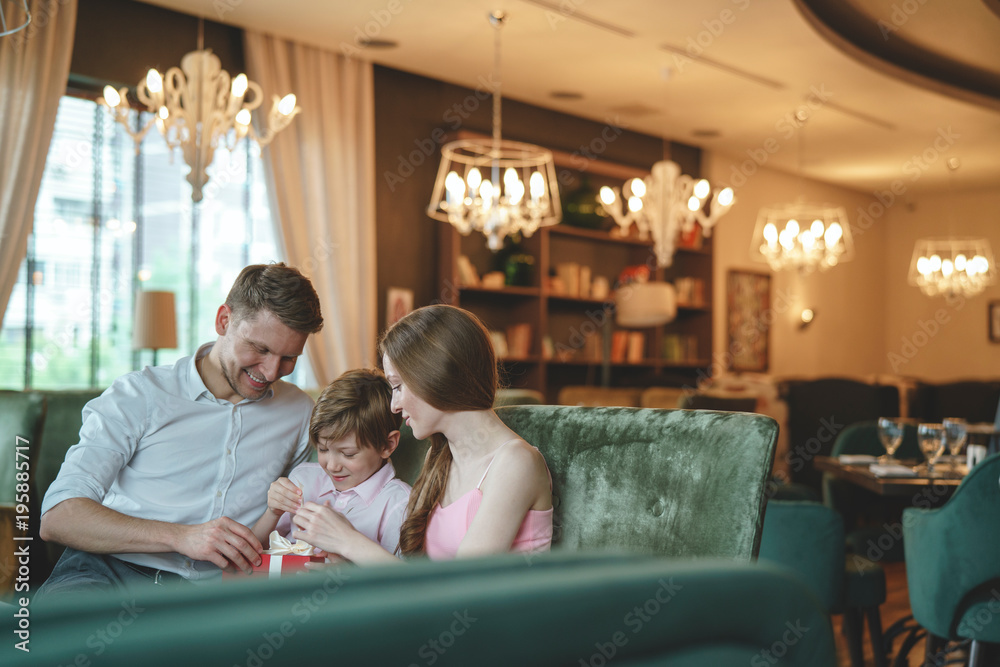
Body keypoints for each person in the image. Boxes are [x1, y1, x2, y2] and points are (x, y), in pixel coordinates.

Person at [37, 263, 323, 595]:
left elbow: (294, 517)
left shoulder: (300, 413)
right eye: (260, 349)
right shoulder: (139, 395)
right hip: (107, 572)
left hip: (218, 593)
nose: (272, 371)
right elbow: (60, 516)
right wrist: (181, 536)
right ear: (223, 320)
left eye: (289, 358)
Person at [292, 304, 552, 563]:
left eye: (398, 386)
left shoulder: (516, 462)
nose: (394, 405)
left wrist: (347, 540)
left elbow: (463, 589)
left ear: (436, 376)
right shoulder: (439, 457)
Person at [251, 369, 411, 556]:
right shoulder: (303, 479)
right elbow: (252, 552)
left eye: (348, 454)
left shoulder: (399, 503)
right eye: (323, 449)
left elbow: (398, 580)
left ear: (387, 445)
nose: (332, 466)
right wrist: (273, 512)